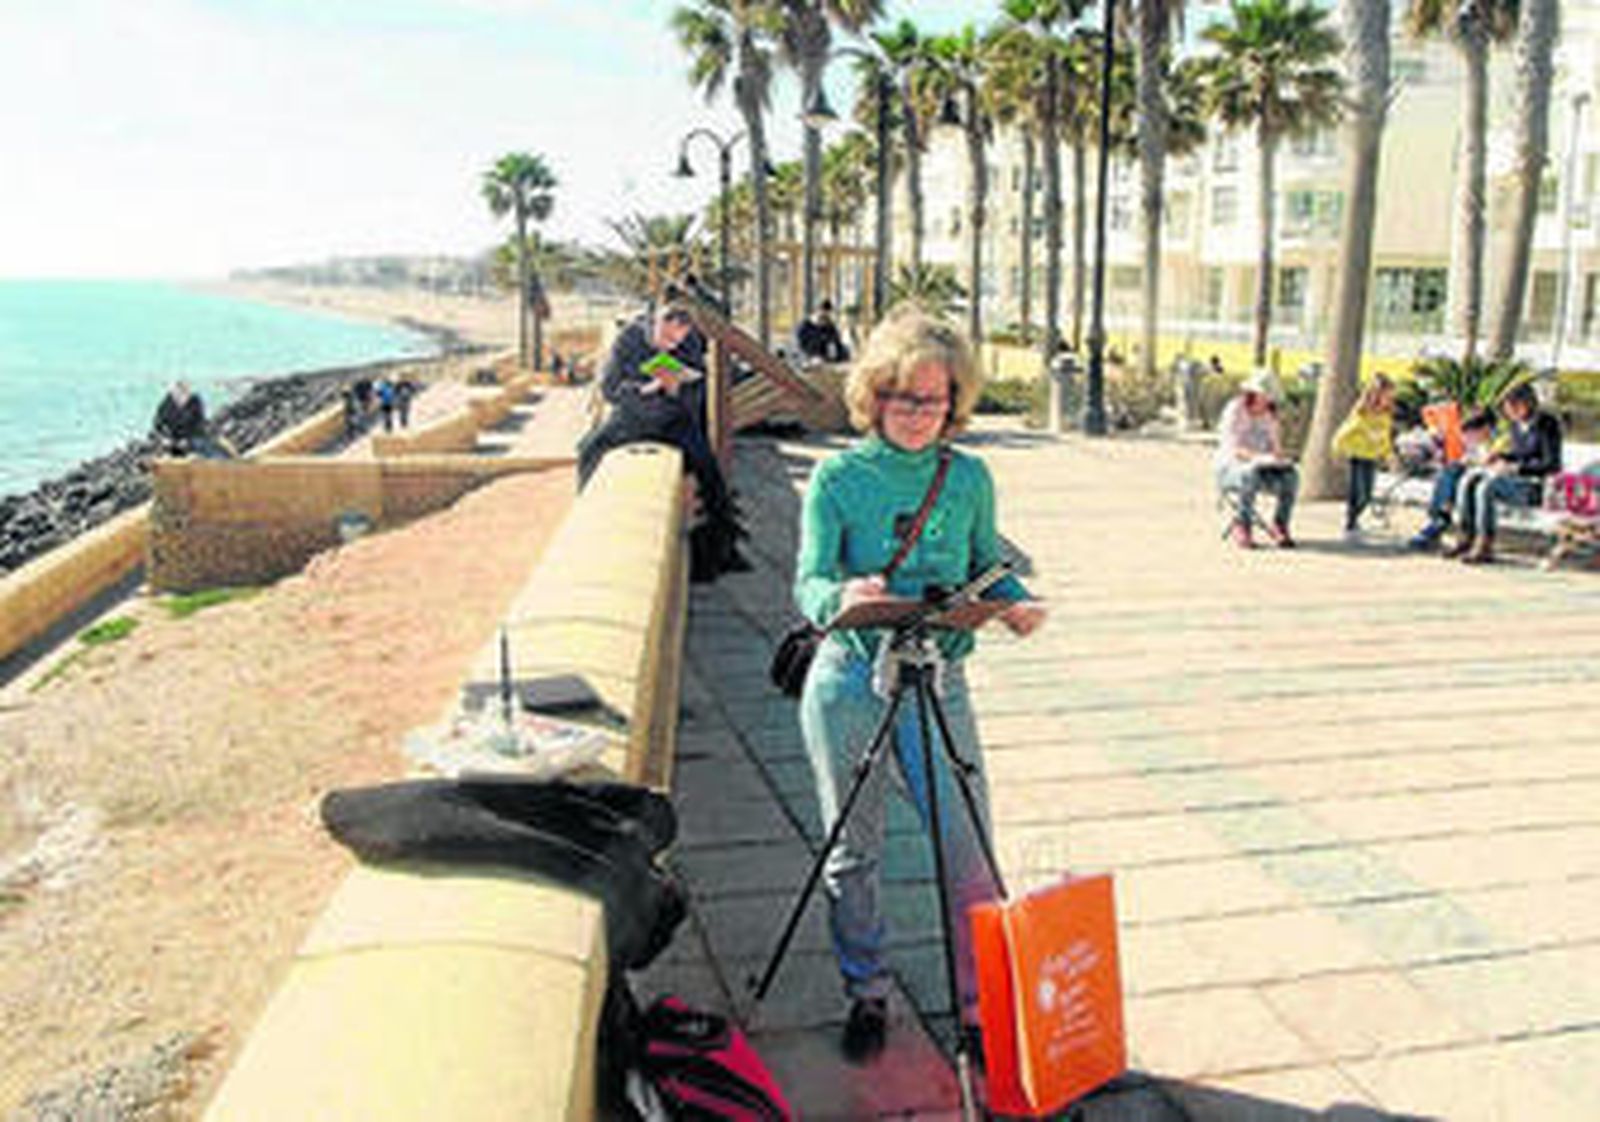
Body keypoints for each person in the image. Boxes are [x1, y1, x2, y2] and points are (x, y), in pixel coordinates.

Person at [793, 306, 1046, 1064]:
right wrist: (840, 599)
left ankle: (978, 1005)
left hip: (940, 679)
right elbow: (807, 580)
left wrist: (1008, 607)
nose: (918, 415)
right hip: (850, 681)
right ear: (874, 396)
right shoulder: (838, 476)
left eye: (934, 401)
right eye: (904, 398)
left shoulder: (967, 476)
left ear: (955, 402)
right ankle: (865, 991)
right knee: (853, 847)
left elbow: (983, 566)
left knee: (967, 849)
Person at [578, 304, 745, 577]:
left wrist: (677, 389)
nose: (671, 346)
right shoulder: (629, 338)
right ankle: (587, 528)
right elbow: (610, 389)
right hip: (631, 417)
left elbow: (697, 387)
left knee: (709, 470)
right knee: (588, 450)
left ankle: (721, 551)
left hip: (673, 418)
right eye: (666, 339)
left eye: (677, 341)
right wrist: (644, 389)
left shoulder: (689, 342)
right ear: (654, 325)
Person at [1445, 381, 1563, 564]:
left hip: (1536, 487)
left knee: (1487, 487)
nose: (1509, 413)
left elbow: (1552, 464)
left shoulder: (1547, 424)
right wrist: (1500, 456)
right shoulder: (1516, 425)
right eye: (1508, 409)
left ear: (1526, 403)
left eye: (1512, 407)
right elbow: (1520, 453)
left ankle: (1485, 544)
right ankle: (1465, 537)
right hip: (1515, 481)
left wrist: (1516, 468)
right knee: (1468, 480)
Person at [1214, 369, 1298, 549]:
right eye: (1265, 394)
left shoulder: (1270, 415)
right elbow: (1234, 448)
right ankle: (1243, 525)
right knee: (1249, 473)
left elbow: (1276, 449)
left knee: (1292, 476)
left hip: (1262, 468)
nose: (1267, 399)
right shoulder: (1235, 409)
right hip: (1230, 468)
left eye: (1270, 395)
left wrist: (1279, 459)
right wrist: (1259, 457)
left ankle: (1280, 524)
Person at [1408, 407, 1496, 551]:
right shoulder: (1477, 443)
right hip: (1470, 476)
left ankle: (1440, 520)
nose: (1468, 440)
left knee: (1455, 472)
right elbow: (1469, 458)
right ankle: (1438, 519)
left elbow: (1491, 463)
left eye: (1471, 435)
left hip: (1485, 478)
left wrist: (1474, 462)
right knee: (1449, 470)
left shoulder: (1497, 442)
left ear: (1485, 429)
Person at [1332, 373, 1396, 540]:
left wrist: (1389, 456)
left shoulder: (1385, 416)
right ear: (1375, 395)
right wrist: (1337, 451)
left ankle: (1355, 520)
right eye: (1386, 396)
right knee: (1357, 492)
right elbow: (1343, 434)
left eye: (1390, 397)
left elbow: (1385, 438)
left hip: (1371, 458)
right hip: (1357, 456)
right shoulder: (1361, 414)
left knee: (1367, 495)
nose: (1389, 400)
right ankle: (1350, 523)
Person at [150, 380, 211, 457]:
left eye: (180, 396)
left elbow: (199, 426)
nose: (177, 398)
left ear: (186, 394)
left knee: (197, 444)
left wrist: (187, 440)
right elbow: (158, 423)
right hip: (173, 438)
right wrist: (164, 437)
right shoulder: (168, 403)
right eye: (175, 395)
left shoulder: (195, 403)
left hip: (192, 439)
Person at [796, 299, 851, 364]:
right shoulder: (806, 325)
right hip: (810, 355)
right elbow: (801, 343)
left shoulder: (829, 326)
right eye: (823, 312)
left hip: (826, 357)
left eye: (827, 314)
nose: (825, 316)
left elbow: (837, 341)